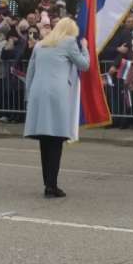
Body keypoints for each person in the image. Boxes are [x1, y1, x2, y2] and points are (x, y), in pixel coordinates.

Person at [23, 17, 91, 197]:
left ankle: (48, 183)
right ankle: (52, 185)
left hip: (38, 92)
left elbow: (30, 72)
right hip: (57, 93)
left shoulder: (40, 44)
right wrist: (84, 46)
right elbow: (84, 65)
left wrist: (28, 95)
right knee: (56, 139)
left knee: (44, 141)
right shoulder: (69, 42)